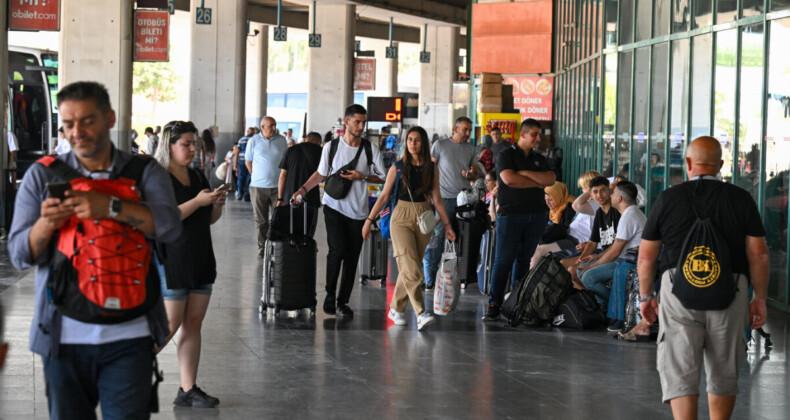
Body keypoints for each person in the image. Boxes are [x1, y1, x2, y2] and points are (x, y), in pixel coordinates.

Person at [7, 81, 181, 419]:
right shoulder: (41, 176)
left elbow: (171, 227)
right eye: (68, 124)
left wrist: (111, 207)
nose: (77, 132)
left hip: (132, 336)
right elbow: (18, 255)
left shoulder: (144, 172)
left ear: (110, 118)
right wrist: (46, 223)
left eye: (87, 120)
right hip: (62, 338)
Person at [637, 136, 769, 419]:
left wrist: (646, 296)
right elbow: (758, 254)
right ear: (721, 165)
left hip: (678, 292)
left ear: (688, 163)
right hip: (730, 291)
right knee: (724, 368)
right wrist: (759, 298)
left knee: (680, 367)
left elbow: (647, 257)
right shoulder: (741, 199)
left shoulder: (668, 198)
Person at [153, 120, 226, 408]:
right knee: (169, 324)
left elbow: (209, 219)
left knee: (193, 323)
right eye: (185, 144)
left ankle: (187, 389)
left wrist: (216, 203)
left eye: (193, 143)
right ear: (169, 145)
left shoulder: (198, 176)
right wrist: (198, 202)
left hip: (199, 255)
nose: (192, 149)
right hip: (172, 257)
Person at [293, 104, 386, 317]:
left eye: (364, 122)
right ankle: (329, 295)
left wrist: (361, 176)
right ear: (346, 122)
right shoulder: (331, 147)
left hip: (359, 212)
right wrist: (302, 190)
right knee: (336, 251)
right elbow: (321, 174)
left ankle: (343, 302)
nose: (361, 126)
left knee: (352, 257)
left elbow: (384, 176)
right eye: (357, 122)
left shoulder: (370, 149)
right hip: (334, 207)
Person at [363, 126, 456, 330]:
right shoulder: (397, 167)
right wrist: (369, 220)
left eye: (417, 140)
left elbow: (437, 199)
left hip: (424, 218)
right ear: (406, 143)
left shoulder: (431, 168)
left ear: (424, 143)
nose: (413, 143)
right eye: (410, 140)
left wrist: (447, 225)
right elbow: (384, 196)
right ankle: (421, 313)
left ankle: (396, 308)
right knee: (413, 268)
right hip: (401, 218)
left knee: (408, 269)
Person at [483, 118, 556, 321]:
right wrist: (535, 181)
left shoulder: (539, 159)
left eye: (539, 134)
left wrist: (524, 173)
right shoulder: (506, 155)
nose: (538, 138)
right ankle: (494, 304)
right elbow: (509, 180)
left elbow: (550, 179)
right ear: (522, 134)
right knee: (503, 261)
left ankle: (517, 302)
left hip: (536, 215)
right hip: (511, 214)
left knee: (524, 261)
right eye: (534, 134)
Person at [422, 116, 479, 289]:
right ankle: (429, 279)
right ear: (455, 129)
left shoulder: (470, 149)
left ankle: (459, 277)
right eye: (465, 130)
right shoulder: (440, 145)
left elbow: (474, 173)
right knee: (438, 238)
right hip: (443, 199)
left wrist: (470, 175)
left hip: (463, 200)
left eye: (470, 130)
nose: (468, 133)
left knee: (462, 240)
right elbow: (430, 170)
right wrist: (429, 196)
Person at [578, 181, 645, 308]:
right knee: (580, 269)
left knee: (588, 277)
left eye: (613, 193)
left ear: (619, 199)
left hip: (630, 262)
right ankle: (604, 306)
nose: (611, 195)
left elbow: (615, 252)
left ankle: (617, 306)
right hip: (624, 258)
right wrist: (596, 257)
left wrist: (592, 266)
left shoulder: (628, 217)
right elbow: (615, 246)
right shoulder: (629, 213)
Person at [532, 170, 601, 266]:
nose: (582, 191)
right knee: (538, 247)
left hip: (576, 240)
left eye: (583, 188)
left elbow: (576, 205)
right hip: (569, 236)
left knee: (541, 250)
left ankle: (529, 280)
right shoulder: (590, 204)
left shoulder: (596, 205)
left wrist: (592, 190)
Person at [246, 116, 287, 257]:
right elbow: (248, 162)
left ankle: (278, 245)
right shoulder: (253, 141)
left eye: (275, 125)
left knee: (279, 218)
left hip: (278, 187)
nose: (274, 128)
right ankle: (262, 246)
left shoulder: (281, 140)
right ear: (262, 127)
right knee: (261, 219)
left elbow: (285, 162)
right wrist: (256, 176)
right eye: (271, 125)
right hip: (258, 187)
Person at [277, 131, 323, 233]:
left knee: (290, 229)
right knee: (308, 231)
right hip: (311, 197)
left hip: (289, 197)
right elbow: (323, 177)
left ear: (305, 139)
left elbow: (283, 175)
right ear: (319, 142)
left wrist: (280, 198)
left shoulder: (291, 150)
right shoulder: (321, 151)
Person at [528, 182, 575, 265]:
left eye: (550, 200)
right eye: (546, 200)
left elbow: (564, 229)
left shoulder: (570, 208)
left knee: (538, 250)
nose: (547, 203)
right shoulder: (550, 210)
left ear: (558, 196)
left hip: (567, 239)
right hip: (551, 238)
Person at [236, 127, 255, 201]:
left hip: (242, 160)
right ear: (253, 132)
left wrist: (236, 162)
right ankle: (247, 196)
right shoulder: (254, 140)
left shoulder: (241, 139)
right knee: (250, 177)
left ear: (247, 131)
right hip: (251, 161)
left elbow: (237, 151)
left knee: (241, 177)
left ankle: (240, 193)